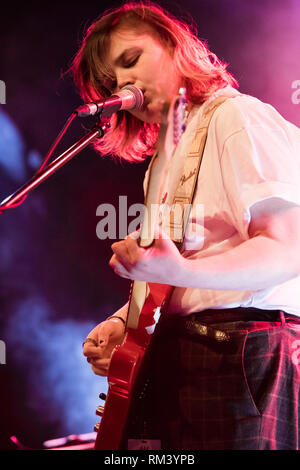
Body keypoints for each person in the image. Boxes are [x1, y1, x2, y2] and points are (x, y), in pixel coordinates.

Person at [73, 1, 300, 450]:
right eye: (110, 80)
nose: (122, 84)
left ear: (174, 45)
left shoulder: (237, 117)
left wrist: (181, 273)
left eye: (131, 60)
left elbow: (288, 249)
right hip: (187, 354)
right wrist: (127, 321)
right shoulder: (164, 159)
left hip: (241, 354)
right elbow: (184, 264)